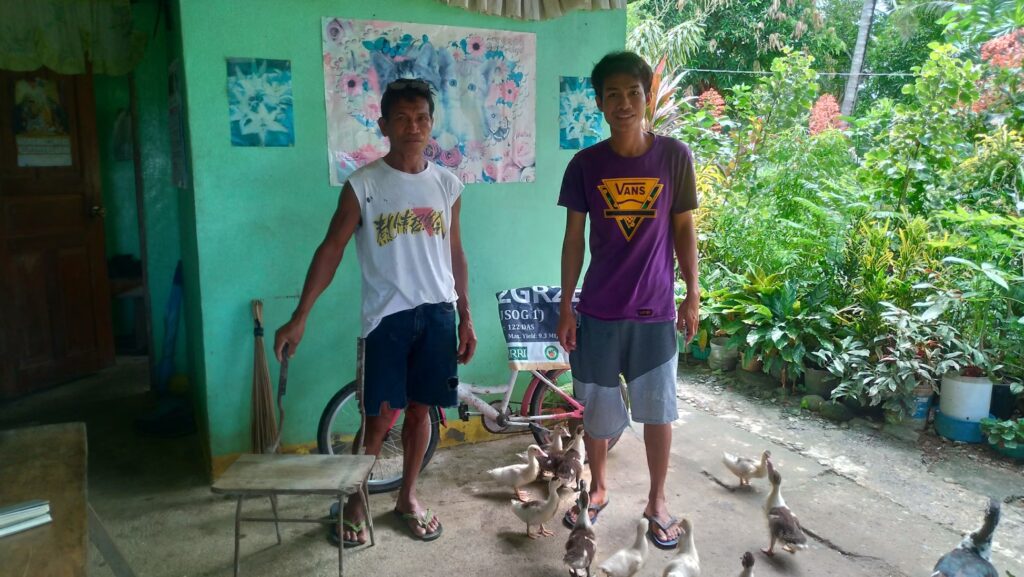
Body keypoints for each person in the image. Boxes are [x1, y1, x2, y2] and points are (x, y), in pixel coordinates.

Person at [274, 78, 476, 547]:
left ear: (431, 124)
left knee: (421, 413)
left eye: (422, 118)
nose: (413, 127)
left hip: (439, 314)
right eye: (402, 119)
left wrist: (466, 315)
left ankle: (407, 496)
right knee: (378, 419)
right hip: (387, 321)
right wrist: (301, 314)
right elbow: (331, 249)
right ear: (384, 124)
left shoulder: (447, 184)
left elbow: (457, 253)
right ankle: (357, 500)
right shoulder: (362, 185)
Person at [555, 51, 699, 550]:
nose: (623, 103)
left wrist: (692, 292)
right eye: (611, 95)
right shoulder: (585, 165)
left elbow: (684, 228)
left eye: (632, 93)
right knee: (595, 410)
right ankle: (597, 487)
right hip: (596, 310)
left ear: (647, 96)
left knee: (659, 411)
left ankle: (658, 499)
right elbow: (574, 240)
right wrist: (566, 305)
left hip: (655, 310)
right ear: (598, 102)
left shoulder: (675, 158)